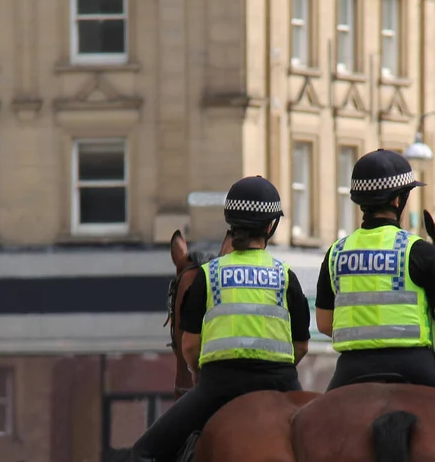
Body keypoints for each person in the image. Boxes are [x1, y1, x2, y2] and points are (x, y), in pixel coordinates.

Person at [314, 149, 435, 457]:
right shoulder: (418, 251)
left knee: (309, 429)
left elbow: (325, 324)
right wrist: (434, 340)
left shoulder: (336, 253)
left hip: (351, 367)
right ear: (397, 201)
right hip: (414, 364)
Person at [132, 176, 311, 462]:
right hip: (281, 382)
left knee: (144, 452)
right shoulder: (285, 276)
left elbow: (190, 345)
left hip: (219, 384)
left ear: (231, 223)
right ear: (270, 226)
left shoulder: (209, 275)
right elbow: (301, 345)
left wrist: (197, 373)